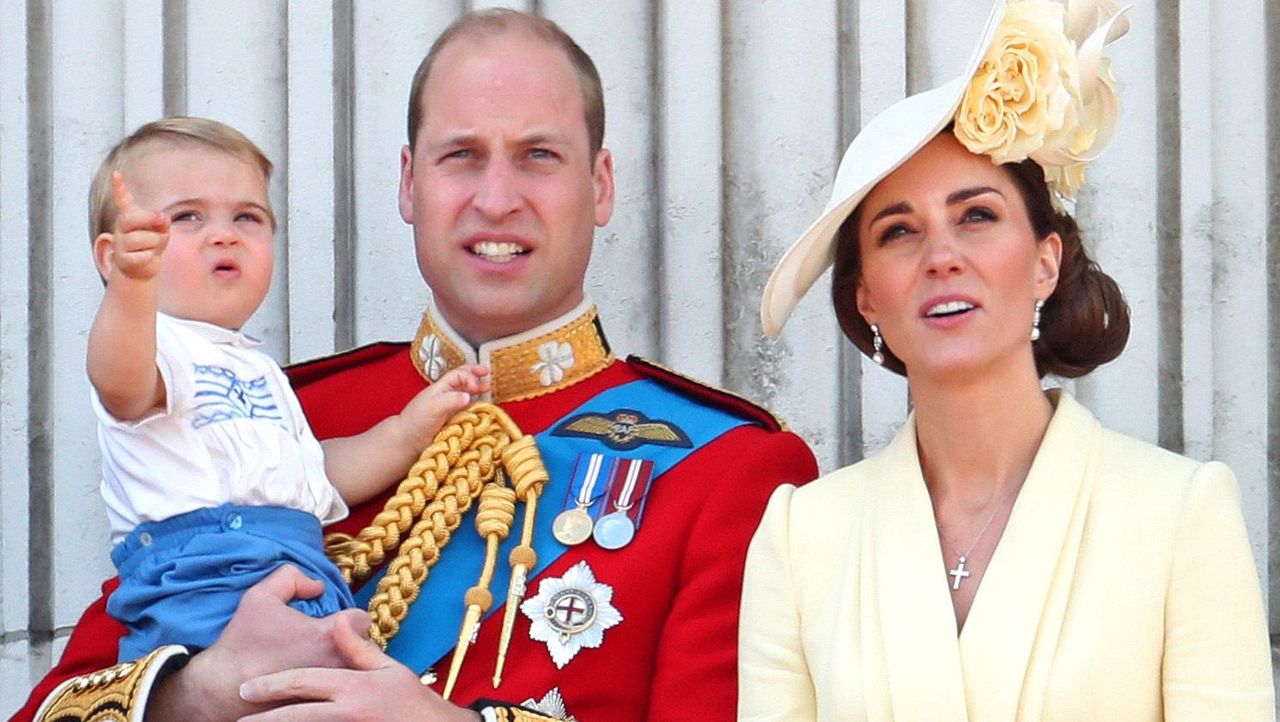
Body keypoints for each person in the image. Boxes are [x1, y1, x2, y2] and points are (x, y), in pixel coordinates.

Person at [16, 10, 817, 722]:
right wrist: (196, 695)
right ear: (409, 184)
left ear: (599, 186)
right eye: (461, 155)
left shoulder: (729, 468)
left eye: (539, 155)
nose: (496, 198)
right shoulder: (279, 416)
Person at [740, 1, 1274, 720]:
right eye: (899, 231)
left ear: (1046, 262)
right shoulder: (802, 537)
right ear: (866, 295)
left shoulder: (1182, 514)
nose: (942, 258)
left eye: (977, 216)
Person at [84, 117, 488, 663]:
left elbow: (313, 476)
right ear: (112, 257)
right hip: (203, 578)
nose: (224, 234)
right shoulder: (154, 344)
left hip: (301, 569)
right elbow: (119, 382)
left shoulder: (260, 368)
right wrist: (132, 287)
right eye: (186, 217)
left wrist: (405, 433)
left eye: (247, 217)